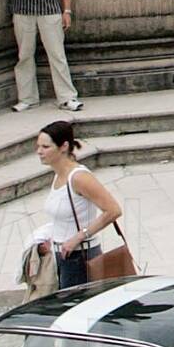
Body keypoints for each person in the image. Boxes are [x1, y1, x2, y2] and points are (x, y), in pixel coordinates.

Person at [30, 119, 123, 289]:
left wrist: (79, 236)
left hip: (80, 256)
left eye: (45, 147)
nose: (39, 151)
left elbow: (113, 210)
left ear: (64, 146)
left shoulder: (79, 177)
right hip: (62, 254)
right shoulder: (58, 175)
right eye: (38, 146)